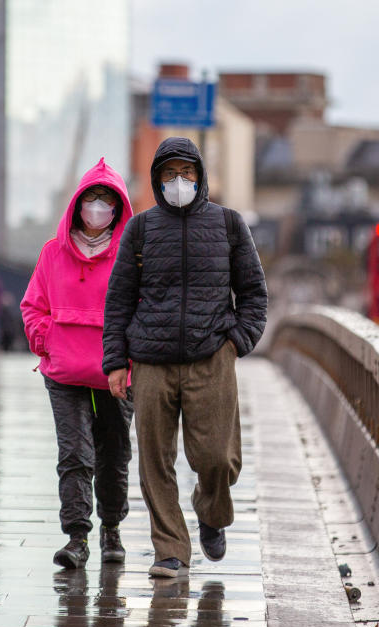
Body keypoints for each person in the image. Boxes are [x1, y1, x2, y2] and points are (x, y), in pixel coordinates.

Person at [102, 137, 268, 579]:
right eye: (170, 173)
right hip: (151, 361)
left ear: (201, 176)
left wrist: (236, 342)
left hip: (211, 355)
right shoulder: (140, 230)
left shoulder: (230, 225)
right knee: (155, 460)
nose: (180, 181)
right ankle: (171, 550)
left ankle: (211, 512)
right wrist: (116, 361)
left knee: (217, 457)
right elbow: (118, 300)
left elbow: (253, 294)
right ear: (158, 179)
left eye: (187, 173)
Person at [21, 158, 136, 570]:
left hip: (116, 375)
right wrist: (48, 341)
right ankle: (77, 537)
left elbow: (142, 309)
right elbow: (33, 305)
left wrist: (129, 356)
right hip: (65, 374)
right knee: (74, 454)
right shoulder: (53, 253)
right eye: (91, 199)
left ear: (119, 208)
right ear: (76, 205)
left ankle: (111, 529)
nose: (97, 207)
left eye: (106, 200)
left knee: (114, 453)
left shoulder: (130, 256)